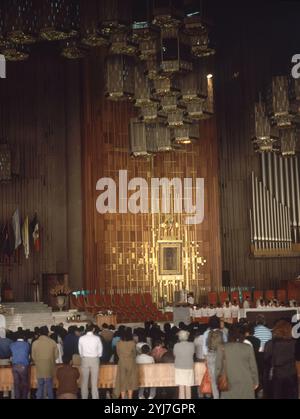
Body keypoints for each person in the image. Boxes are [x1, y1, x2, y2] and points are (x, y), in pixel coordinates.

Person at [215, 324, 259, 399]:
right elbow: (253, 367)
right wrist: (256, 382)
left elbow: (218, 367)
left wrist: (217, 380)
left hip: (227, 381)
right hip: (246, 381)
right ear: (243, 334)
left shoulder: (222, 348)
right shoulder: (247, 348)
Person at [264, 320, 298, 399]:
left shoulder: (270, 344)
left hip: (277, 376)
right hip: (291, 376)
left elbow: (266, 363)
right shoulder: (295, 343)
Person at [202, 316, 226, 399]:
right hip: (221, 355)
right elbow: (225, 345)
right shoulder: (222, 332)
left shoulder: (206, 333)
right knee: (222, 377)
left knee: (213, 379)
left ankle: (216, 397)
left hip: (210, 355)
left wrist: (206, 357)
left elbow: (204, 347)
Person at [31, 326, 58, 399]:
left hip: (39, 367)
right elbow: (56, 356)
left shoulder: (35, 343)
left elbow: (33, 356)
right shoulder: (53, 342)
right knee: (49, 385)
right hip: (49, 367)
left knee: (40, 385)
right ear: (48, 333)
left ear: (39, 333)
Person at [78, 324, 103, 400]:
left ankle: (84, 397)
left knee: (84, 382)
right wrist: (97, 355)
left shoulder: (81, 338)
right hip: (94, 360)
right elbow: (100, 351)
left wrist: (83, 356)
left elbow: (80, 351)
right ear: (93, 329)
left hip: (85, 359)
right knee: (94, 382)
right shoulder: (97, 338)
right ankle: (95, 397)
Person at [114, 327, 139, 399]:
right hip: (131, 362)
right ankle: (130, 397)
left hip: (121, 362)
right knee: (130, 380)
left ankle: (123, 397)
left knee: (122, 380)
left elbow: (118, 353)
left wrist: (122, 357)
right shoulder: (132, 343)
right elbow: (134, 354)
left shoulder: (118, 343)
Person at [173, 330, 195, 399]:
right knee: (188, 386)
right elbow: (193, 353)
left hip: (179, 367)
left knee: (181, 387)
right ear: (187, 337)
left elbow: (175, 354)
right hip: (189, 366)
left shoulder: (176, 345)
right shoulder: (192, 345)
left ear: (179, 337)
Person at [10, 331, 31, 399]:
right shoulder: (27, 344)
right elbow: (28, 354)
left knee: (16, 384)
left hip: (14, 366)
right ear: (24, 337)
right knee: (24, 384)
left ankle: (17, 397)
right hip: (23, 366)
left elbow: (11, 354)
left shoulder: (12, 344)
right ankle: (24, 397)